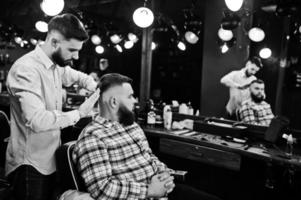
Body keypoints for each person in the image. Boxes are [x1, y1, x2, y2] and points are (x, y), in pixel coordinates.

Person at [72, 73, 221, 200]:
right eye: (130, 97)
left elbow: (149, 157)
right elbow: (102, 189)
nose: (134, 101)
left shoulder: (131, 126)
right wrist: (150, 190)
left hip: (162, 192)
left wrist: (165, 174)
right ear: (113, 102)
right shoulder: (93, 137)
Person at [5, 13, 100, 200]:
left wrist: (96, 86)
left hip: (50, 159)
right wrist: (79, 113)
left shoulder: (57, 65)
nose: (76, 56)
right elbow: (37, 121)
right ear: (54, 42)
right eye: (72, 50)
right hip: (30, 164)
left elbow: (78, 77)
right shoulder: (26, 69)